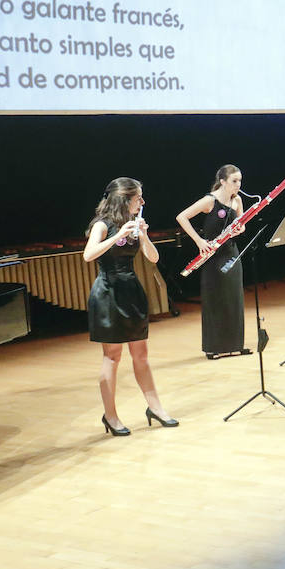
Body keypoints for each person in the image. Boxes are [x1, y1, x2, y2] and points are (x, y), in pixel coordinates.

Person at [83, 178, 178, 435]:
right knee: (112, 357)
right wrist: (120, 236)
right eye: (139, 198)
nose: (143, 202)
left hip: (131, 291)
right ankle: (111, 416)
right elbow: (88, 255)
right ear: (125, 199)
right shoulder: (102, 225)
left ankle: (155, 408)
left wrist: (144, 235)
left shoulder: (134, 225)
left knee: (141, 355)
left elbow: (153, 258)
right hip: (108, 293)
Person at [176, 164, 248, 359]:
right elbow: (181, 216)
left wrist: (238, 229)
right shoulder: (210, 201)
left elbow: (241, 225)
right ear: (223, 181)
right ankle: (213, 346)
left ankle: (235, 344)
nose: (238, 185)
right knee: (216, 300)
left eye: (239, 180)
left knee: (233, 298)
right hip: (213, 256)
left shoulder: (237, 200)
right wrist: (199, 241)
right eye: (234, 181)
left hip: (232, 253)